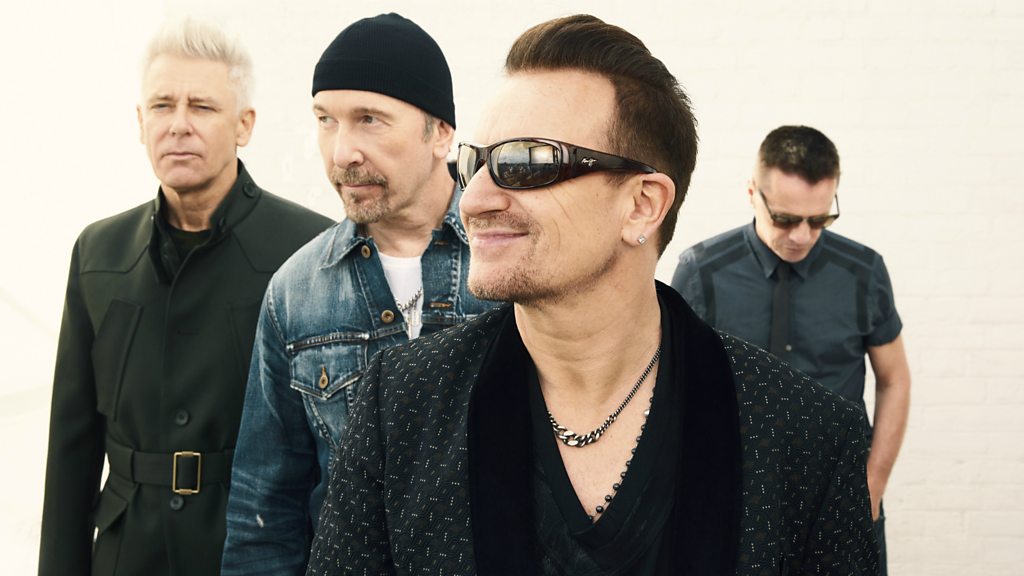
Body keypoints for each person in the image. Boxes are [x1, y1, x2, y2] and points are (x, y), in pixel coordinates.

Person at [307, 14, 878, 575]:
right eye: (473, 165)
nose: (473, 200)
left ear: (642, 205)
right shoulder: (401, 405)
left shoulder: (808, 437)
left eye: (525, 162)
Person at [38, 18, 333, 576]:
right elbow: (71, 449)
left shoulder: (309, 251)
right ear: (140, 122)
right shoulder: (98, 253)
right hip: (126, 555)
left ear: (244, 124)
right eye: (162, 106)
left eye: (201, 106)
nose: (179, 125)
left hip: (254, 552)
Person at [221, 13, 493, 575]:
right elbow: (264, 511)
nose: (342, 151)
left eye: (370, 119)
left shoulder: (509, 263)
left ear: (441, 133)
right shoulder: (297, 292)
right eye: (326, 120)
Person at [671, 124, 910, 573]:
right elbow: (674, 386)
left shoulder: (864, 272)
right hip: (736, 497)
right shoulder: (701, 272)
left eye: (819, 220)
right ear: (752, 194)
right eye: (785, 219)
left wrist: (872, 485)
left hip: (844, 495)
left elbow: (894, 379)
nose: (802, 235)